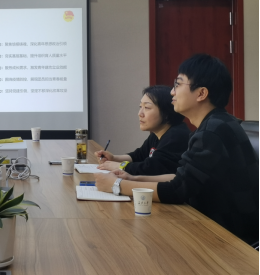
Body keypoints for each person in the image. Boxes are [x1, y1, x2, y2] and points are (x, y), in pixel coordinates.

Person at [95, 54, 259, 244]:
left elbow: (178, 189)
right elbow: (181, 176)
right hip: (212, 226)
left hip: (230, 239)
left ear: (201, 93)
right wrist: (132, 178)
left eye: (178, 84)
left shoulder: (212, 132)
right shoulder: (216, 124)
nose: (172, 92)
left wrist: (116, 186)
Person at [95, 85, 190, 175]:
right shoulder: (158, 133)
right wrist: (113, 158)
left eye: (147, 107)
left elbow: (151, 169)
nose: (140, 113)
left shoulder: (175, 136)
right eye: (140, 107)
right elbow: (139, 156)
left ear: (166, 113)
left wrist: (120, 166)